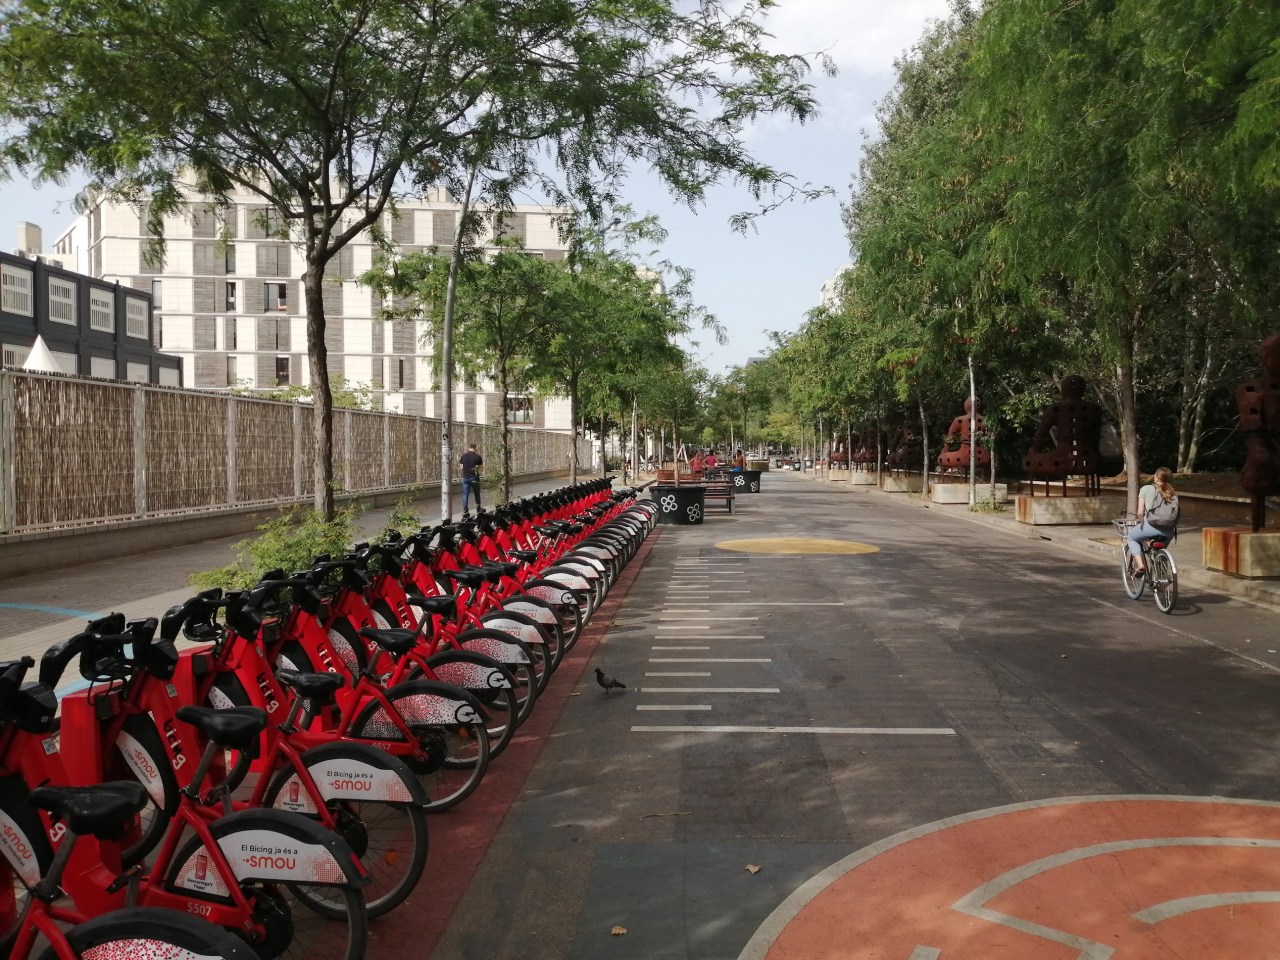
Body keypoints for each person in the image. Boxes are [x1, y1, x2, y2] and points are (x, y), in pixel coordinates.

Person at [1126, 467, 1179, 574]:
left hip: (1150, 526)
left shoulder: (1146, 489)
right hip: (1168, 531)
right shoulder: (1172, 492)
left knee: (1131, 537)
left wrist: (1141, 521)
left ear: (1156, 477)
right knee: (1160, 550)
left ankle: (1140, 565)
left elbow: (1140, 512)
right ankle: (1162, 576)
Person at [459, 443, 483, 515]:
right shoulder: (478, 457)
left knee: (465, 494)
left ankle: (465, 510)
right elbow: (480, 469)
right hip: (474, 477)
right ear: (475, 448)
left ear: (469, 448)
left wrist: (466, 471)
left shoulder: (463, 456)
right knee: (477, 493)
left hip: (466, 478)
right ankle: (478, 509)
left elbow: (461, 467)